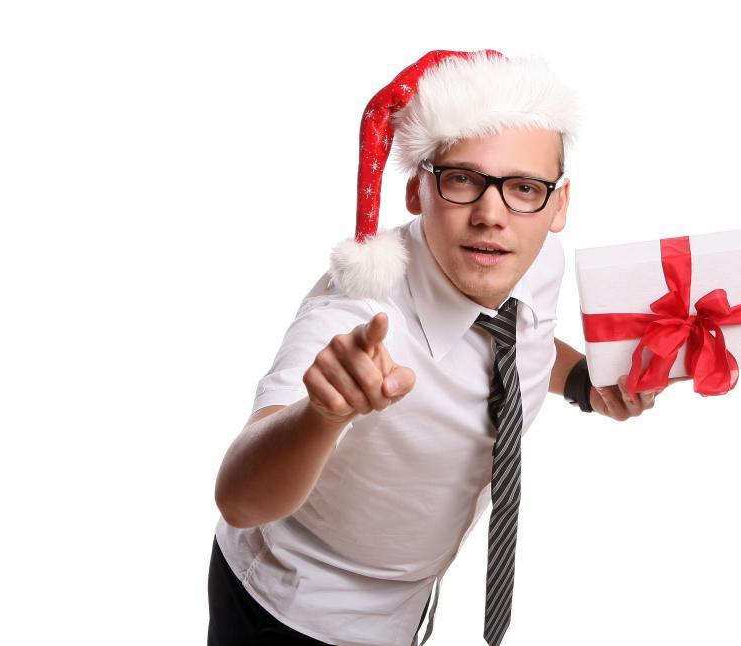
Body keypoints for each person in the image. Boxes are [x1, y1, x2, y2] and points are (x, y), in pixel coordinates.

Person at [208, 49, 686, 646]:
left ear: (558, 204)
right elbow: (240, 498)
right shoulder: (356, 313)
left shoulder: (531, 258)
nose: (492, 214)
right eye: (462, 179)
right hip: (294, 613)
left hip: (410, 598)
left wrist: (582, 380)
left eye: (523, 187)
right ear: (417, 191)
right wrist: (322, 414)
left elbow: (518, 335)